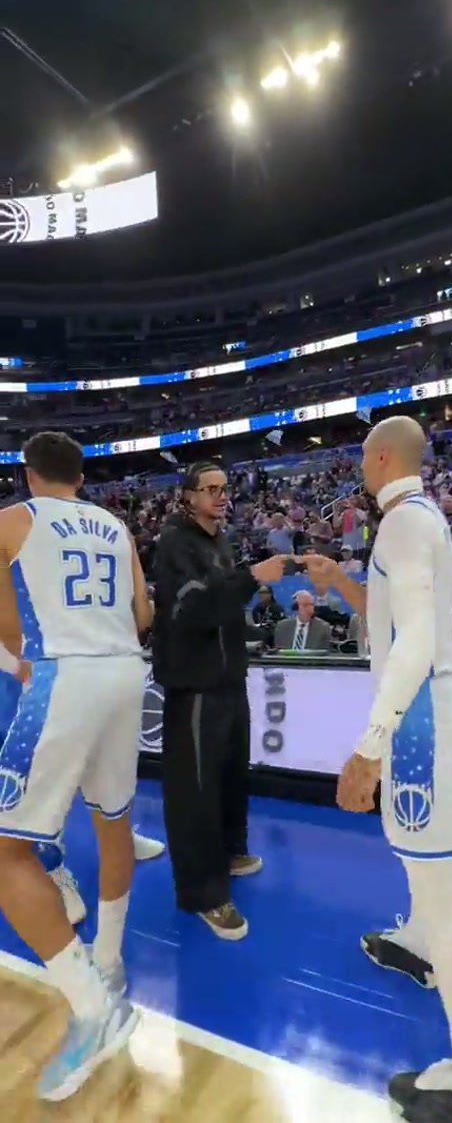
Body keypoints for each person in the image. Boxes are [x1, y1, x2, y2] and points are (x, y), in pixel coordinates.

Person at [303, 416, 452, 1123]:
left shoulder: (401, 524)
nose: (359, 466)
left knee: (440, 882)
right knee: (425, 866)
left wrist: (370, 743)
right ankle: (420, 940)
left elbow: (418, 640)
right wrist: (340, 585)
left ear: (382, 456)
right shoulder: (417, 520)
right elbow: (394, 619)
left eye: (363, 456)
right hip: (433, 701)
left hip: (420, 710)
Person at [0, 431, 153, 1101]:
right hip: (126, 672)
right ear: (82, 475)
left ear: (29, 473)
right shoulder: (116, 525)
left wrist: (26, 647)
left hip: (66, 676)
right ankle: (111, 964)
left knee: (5, 852)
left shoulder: (15, 518)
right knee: (112, 819)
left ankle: (96, 1009)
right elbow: (142, 612)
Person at [153, 461, 286, 940]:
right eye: (209, 489)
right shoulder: (175, 544)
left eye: (224, 488)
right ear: (187, 495)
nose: (219, 495)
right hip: (196, 686)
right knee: (197, 790)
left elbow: (222, 606)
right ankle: (202, 893)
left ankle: (230, 852)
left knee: (231, 776)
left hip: (230, 679)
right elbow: (191, 610)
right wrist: (252, 578)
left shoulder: (218, 541)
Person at [0, 658, 164, 928]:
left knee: (104, 753)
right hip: (24, 669)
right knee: (36, 767)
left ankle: (118, 834)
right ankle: (49, 865)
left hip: (78, 660)